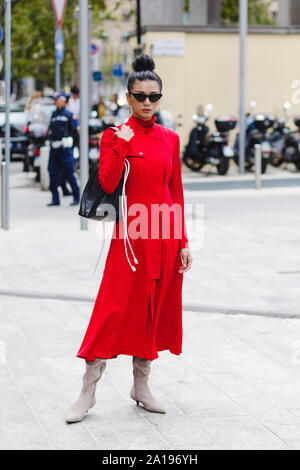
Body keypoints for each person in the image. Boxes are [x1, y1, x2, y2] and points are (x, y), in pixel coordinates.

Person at [66, 54, 193, 423]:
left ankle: (141, 385)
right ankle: (87, 391)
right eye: (141, 96)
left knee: (152, 310)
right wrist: (121, 144)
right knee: (112, 310)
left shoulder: (170, 139)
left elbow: (176, 192)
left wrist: (183, 240)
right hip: (130, 240)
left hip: (165, 237)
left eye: (155, 96)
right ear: (128, 97)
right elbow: (106, 182)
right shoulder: (114, 136)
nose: (148, 103)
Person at [47, 92, 80, 207]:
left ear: (62, 100)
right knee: (52, 173)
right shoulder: (53, 115)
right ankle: (55, 199)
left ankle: (77, 196)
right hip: (54, 150)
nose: (55, 102)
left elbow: (75, 131)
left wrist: (74, 146)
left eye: (57, 99)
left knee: (69, 172)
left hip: (65, 149)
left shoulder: (69, 115)